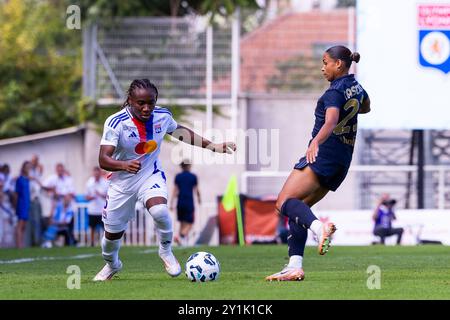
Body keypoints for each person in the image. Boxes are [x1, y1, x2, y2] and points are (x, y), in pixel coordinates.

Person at [93, 79, 236, 281]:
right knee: (109, 241)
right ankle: (112, 264)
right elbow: (103, 159)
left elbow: (182, 133)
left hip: (149, 174)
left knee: (160, 210)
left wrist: (212, 146)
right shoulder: (116, 122)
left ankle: (166, 250)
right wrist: (124, 165)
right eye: (140, 103)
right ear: (130, 101)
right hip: (122, 182)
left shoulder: (162, 116)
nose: (146, 108)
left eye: (151, 102)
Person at [265, 45, 371, 281]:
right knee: (300, 209)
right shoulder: (356, 86)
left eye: (326, 62)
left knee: (284, 202)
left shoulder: (333, 92)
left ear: (339, 64)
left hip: (323, 155)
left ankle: (319, 229)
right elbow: (366, 107)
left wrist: (315, 142)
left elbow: (331, 120)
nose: (322, 68)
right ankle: (294, 266)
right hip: (342, 161)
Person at [170, 160, 201, 247]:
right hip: (189, 202)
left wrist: (172, 203)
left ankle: (181, 241)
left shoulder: (178, 176)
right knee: (190, 223)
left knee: (182, 222)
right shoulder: (193, 176)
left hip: (180, 202)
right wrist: (199, 199)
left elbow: (175, 190)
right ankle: (181, 236)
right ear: (189, 166)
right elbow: (196, 189)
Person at [85, 166, 108, 247]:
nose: (96, 174)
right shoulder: (89, 182)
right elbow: (86, 197)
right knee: (92, 227)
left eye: (97, 173)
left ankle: (105, 242)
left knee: (105, 227)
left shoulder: (105, 182)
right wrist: (91, 197)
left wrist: (100, 194)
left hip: (102, 209)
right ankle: (92, 242)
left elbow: (108, 196)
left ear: (99, 173)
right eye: (95, 173)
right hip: (92, 209)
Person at [14, 161, 32, 248]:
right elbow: (16, 194)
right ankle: (19, 245)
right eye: (27, 167)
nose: (28, 169)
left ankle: (21, 244)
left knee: (24, 226)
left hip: (27, 204)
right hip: (21, 205)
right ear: (23, 168)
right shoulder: (19, 179)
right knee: (20, 225)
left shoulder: (27, 180)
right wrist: (16, 206)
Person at [28, 154, 44, 246]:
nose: (35, 162)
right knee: (31, 222)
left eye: (36, 160)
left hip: (36, 199)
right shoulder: (29, 171)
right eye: (34, 160)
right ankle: (32, 241)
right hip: (30, 199)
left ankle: (37, 241)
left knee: (38, 221)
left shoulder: (36, 171)